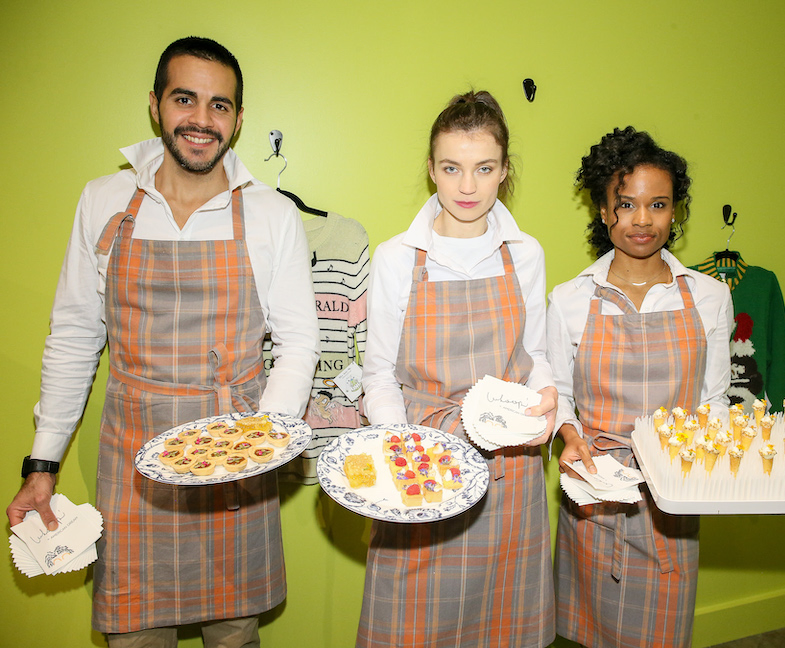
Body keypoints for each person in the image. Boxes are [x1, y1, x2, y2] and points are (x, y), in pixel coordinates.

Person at [6, 37, 319, 647]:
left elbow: (299, 341)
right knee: (135, 635)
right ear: (155, 104)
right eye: (184, 99)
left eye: (219, 105)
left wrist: (259, 442)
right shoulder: (104, 200)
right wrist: (42, 463)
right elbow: (74, 336)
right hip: (133, 461)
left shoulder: (271, 213)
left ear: (238, 118)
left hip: (235, 457)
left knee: (234, 633)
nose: (202, 119)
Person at [358, 90, 557, 648]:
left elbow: (536, 357)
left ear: (504, 171)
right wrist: (402, 452)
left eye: (484, 168)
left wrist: (547, 400)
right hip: (424, 463)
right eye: (452, 168)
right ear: (431, 169)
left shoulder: (526, 254)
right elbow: (379, 374)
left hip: (509, 472)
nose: (467, 187)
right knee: (412, 627)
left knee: (503, 627)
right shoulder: (397, 258)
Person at [547, 126, 733, 648]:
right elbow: (559, 394)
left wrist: (708, 463)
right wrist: (569, 435)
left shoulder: (709, 298)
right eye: (626, 205)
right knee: (588, 633)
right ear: (603, 210)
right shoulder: (570, 300)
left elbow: (713, 400)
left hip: (671, 495)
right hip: (595, 489)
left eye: (658, 204)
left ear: (675, 212)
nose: (643, 220)